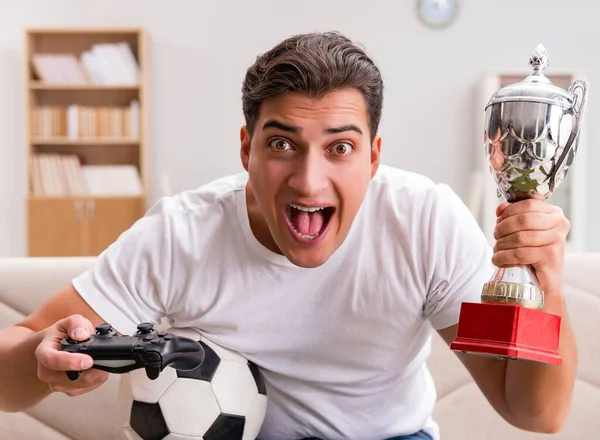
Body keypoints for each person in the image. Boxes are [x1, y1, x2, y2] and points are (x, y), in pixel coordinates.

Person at [0, 31, 576, 440]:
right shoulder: (181, 235)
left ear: (374, 158)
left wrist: (546, 281)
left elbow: (530, 410)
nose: (308, 179)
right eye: (281, 144)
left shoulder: (424, 226)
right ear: (246, 148)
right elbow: (15, 368)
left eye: (340, 147)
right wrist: (41, 356)